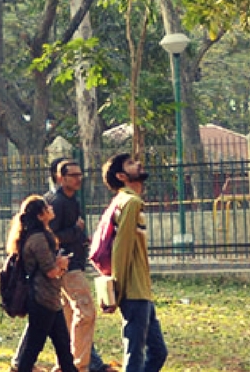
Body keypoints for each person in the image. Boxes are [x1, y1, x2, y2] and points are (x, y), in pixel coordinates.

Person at [11, 159, 113, 372]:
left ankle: (64, 365)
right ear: (60, 178)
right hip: (63, 268)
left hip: (67, 266)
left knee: (60, 320)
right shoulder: (57, 202)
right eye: (73, 175)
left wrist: (81, 237)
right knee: (85, 311)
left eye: (80, 175)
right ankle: (80, 364)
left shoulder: (71, 199)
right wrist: (75, 232)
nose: (79, 179)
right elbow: (50, 236)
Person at [102, 153, 168, 372]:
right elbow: (122, 248)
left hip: (141, 290)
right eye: (131, 164)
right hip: (133, 290)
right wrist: (118, 289)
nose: (138, 164)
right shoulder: (130, 202)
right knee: (136, 354)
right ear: (121, 176)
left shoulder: (123, 201)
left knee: (158, 352)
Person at [8, 196, 77, 372]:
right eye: (46, 207)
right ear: (40, 215)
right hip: (42, 298)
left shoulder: (38, 235)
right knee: (34, 347)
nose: (51, 208)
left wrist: (59, 266)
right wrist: (60, 264)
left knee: (63, 346)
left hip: (50, 298)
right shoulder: (38, 239)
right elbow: (50, 270)